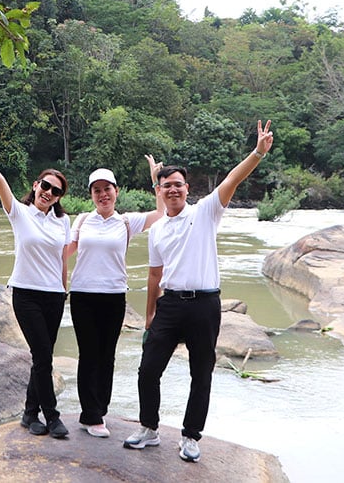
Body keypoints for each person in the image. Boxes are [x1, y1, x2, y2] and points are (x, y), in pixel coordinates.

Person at [124, 120, 274, 463]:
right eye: (166, 186)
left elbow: (232, 180)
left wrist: (256, 153)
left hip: (204, 304)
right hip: (170, 304)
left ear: (186, 188)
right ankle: (149, 427)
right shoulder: (158, 229)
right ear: (159, 191)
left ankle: (191, 436)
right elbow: (154, 274)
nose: (173, 190)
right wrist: (149, 313)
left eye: (178, 185)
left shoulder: (205, 212)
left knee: (200, 372)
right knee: (148, 369)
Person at [0, 122, 72, 439]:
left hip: (54, 297)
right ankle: (53, 417)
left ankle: (29, 414)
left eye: (56, 190)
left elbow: (62, 258)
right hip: (26, 295)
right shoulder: (19, 212)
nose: (49, 193)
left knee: (41, 358)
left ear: (60, 196)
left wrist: (65, 290)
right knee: (44, 356)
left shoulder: (63, 221)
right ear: (36, 185)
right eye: (45, 186)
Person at [61, 156, 165, 439]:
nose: (103, 194)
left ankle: (99, 410)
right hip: (83, 295)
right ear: (91, 195)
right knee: (89, 355)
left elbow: (162, 212)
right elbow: (64, 254)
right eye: (97, 190)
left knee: (107, 356)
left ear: (116, 191)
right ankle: (90, 415)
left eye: (108, 189)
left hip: (114, 295)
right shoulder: (82, 220)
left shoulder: (126, 222)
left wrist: (156, 180)